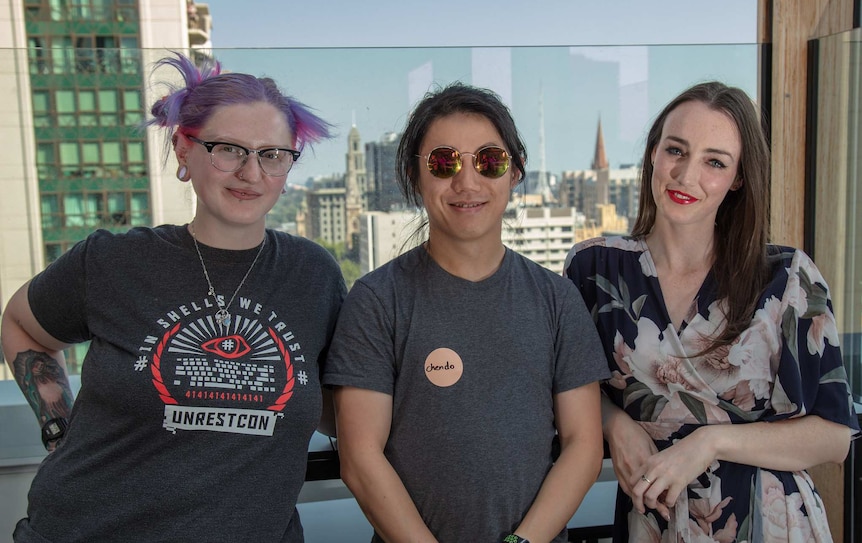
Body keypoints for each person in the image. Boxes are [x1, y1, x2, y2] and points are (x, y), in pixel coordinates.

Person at [1, 52, 346, 543]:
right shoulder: (112, 261)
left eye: (272, 154)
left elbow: (347, 402)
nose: (252, 174)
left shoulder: (314, 274)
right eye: (229, 149)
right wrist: (56, 426)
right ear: (185, 150)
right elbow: (19, 323)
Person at [564, 81, 860, 542]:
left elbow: (834, 436)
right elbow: (570, 389)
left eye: (714, 162)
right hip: (650, 519)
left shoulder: (788, 277)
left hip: (768, 522)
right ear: (653, 155)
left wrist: (709, 441)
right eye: (675, 150)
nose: (685, 175)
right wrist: (614, 422)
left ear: (739, 177)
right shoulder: (593, 268)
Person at [323, 83, 610, 543]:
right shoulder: (377, 301)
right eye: (443, 162)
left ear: (514, 173)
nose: (467, 182)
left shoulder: (556, 300)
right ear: (416, 176)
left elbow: (584, 446)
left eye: (489, 161)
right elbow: (360, 459)